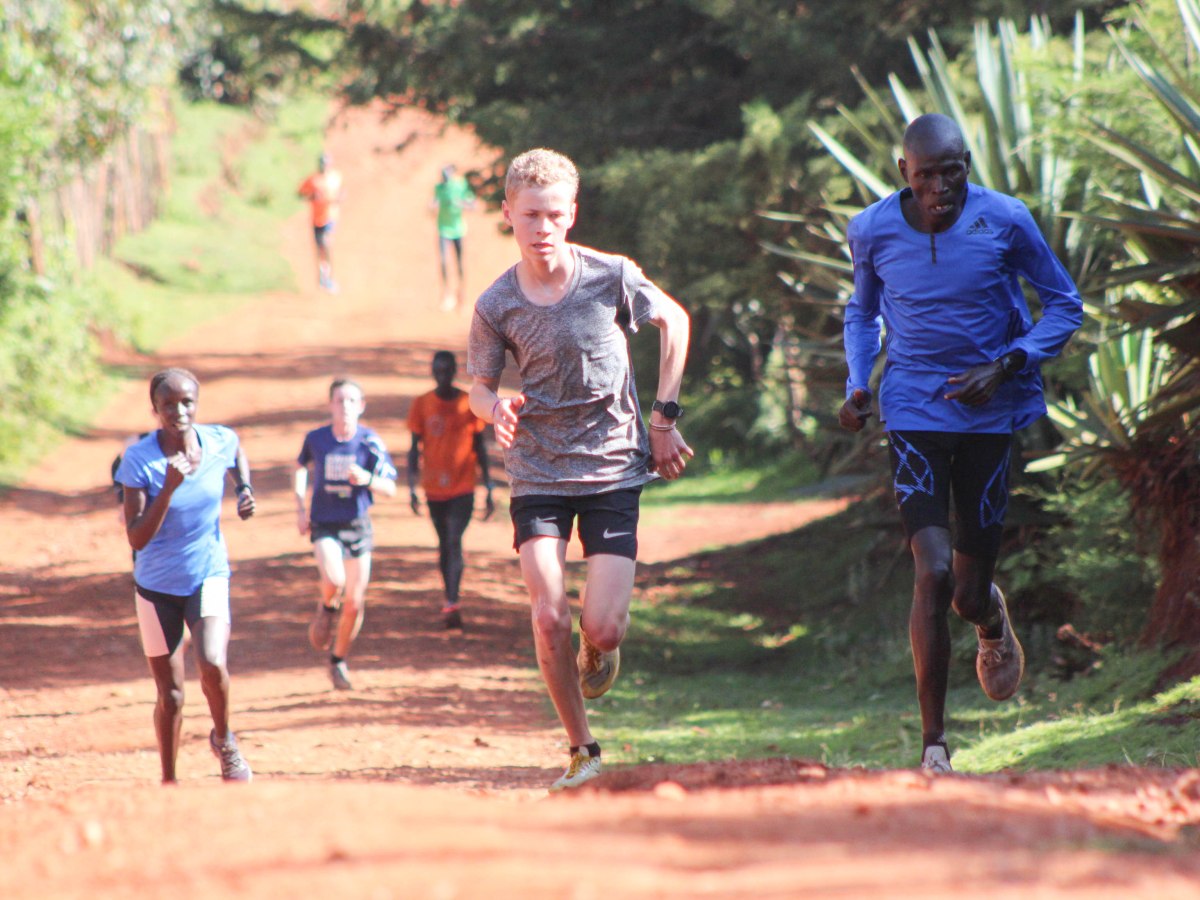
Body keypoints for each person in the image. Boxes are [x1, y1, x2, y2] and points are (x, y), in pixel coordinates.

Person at [838, 114, 1083, 773]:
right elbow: (862, 311)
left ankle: (989, 617)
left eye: (953, 172)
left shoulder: (1006, 219)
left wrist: (1006, 364)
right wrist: (858, 383)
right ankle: (934, 746)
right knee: (933, 570)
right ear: (904, 173)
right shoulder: (871, 229)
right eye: (926, 176)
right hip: (913, 409)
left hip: (989, 416)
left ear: (968, 165)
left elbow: (1065, 304)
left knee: (967, 592)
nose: (941, 188)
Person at [467, 148, 693, 791]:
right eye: (529, 215)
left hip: (612, 466)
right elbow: (478, 387)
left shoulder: (610, 276)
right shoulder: (496, 303)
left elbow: (674, 321)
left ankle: (599, 644)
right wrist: (495, 409)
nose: (542, 227)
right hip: (537, 470)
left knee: (604, 626)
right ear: (508, 213)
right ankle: (582, 749)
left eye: (554, 214)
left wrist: (663, 417)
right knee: (547, 616)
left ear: (571, 213)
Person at [114, 368, 257, 784]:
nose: (179, 411)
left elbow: (236, 452)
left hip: (207, 574)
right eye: (168, 405)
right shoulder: (139, 461)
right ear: (154, 410)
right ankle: (169, 781)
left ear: (197, 403)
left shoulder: (218, 440)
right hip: (156, 588)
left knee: (212, 661)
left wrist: (244, 489)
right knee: (172, 695)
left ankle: (224, 741)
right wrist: (169, 488)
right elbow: (137, 537)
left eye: (187, 402)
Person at [294, 378, 397, 690]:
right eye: (339, 400)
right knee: (334, 580)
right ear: (330, 405)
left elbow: (390, 487)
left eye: (352, 401)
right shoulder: (316, 438)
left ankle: (338, 660)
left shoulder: (370, 442)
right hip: (324, 523)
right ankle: (327, 607)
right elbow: (300, 467)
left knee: (354, 602)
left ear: (361, 406)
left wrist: (367, 479)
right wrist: (300, 508)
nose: (345, 407)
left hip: (357, 525)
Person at [407, 350, 495, 630]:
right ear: (433, 372)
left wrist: (489, 487)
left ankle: (453, 602)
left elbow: (480, 447)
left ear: (455, 371)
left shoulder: (468, 404)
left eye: (447, 370)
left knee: (454, 539)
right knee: (444, 542)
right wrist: (411, 487)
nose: (443, 376)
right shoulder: (422, 404)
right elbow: (414, 449)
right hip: (433, 488)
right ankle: (449, 597)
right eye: (438, 371)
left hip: (463, 486)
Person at [431, 164, 476, 311]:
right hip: (443, 230)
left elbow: (472, 205)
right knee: (444, 262)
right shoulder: (439, 188)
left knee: (460, 263)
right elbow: (434, 202)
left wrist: (460, 203)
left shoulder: (460, 185)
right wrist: (432, 207)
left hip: (459, 231)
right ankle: (446, 295)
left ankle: (461, 295)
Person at [297, 152, 344, 292]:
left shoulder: (335, 178)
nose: (324, 166)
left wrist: (339, 198)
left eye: (327, 163)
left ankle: (329, 277)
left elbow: (342, 192)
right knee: (319, 249)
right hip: (316, 219)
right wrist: (312, 196)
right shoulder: (313, 180)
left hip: (330, 216)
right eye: (323, 163)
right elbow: (300, 193)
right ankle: (322, 276)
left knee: (326, 243)